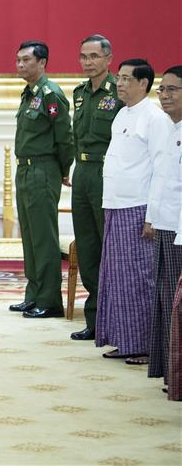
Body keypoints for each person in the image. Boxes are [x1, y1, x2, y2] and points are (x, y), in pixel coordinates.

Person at [96, 58, 171, 365]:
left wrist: (153, 215)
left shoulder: (154, 117)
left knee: (138, 278)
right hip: (115, 204)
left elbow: (160, 168)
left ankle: (142, 345)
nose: (120, 84)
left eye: (127, 79)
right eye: (119, 78)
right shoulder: (122, 115)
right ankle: (124, 339)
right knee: (116, 277)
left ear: (144, 83)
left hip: (138, 207)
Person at [9, 40, 73, 318]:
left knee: (44, 237)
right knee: (30, 236)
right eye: (18, 60)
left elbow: (64, 137)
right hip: (25, 170)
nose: (20, 65)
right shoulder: (29, 93)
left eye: (26, 60)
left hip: (43, 170)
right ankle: (33, 294)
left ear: (42, 62)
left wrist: (62, 170)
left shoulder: (51, 93)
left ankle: (49, 300)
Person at [68, 35, 123, 340]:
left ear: (108, 58)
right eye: (83, 57)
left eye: (93, 56)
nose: (87, 62)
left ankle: (115, 317)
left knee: (109, 246)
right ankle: (94, 318)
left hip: (107, 171)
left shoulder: (119, 92)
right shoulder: (79, 93)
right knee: (87, 246)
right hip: (82, 171)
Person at [146, 66, 182, 383]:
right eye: (162, 90)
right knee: (163, 298)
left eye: (173, 89)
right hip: (164, 224)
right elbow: (161, 181)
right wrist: (153, 218)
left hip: (179, 231)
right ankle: (169, 372)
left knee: (175, 301)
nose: (165, 96)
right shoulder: (170, 130)